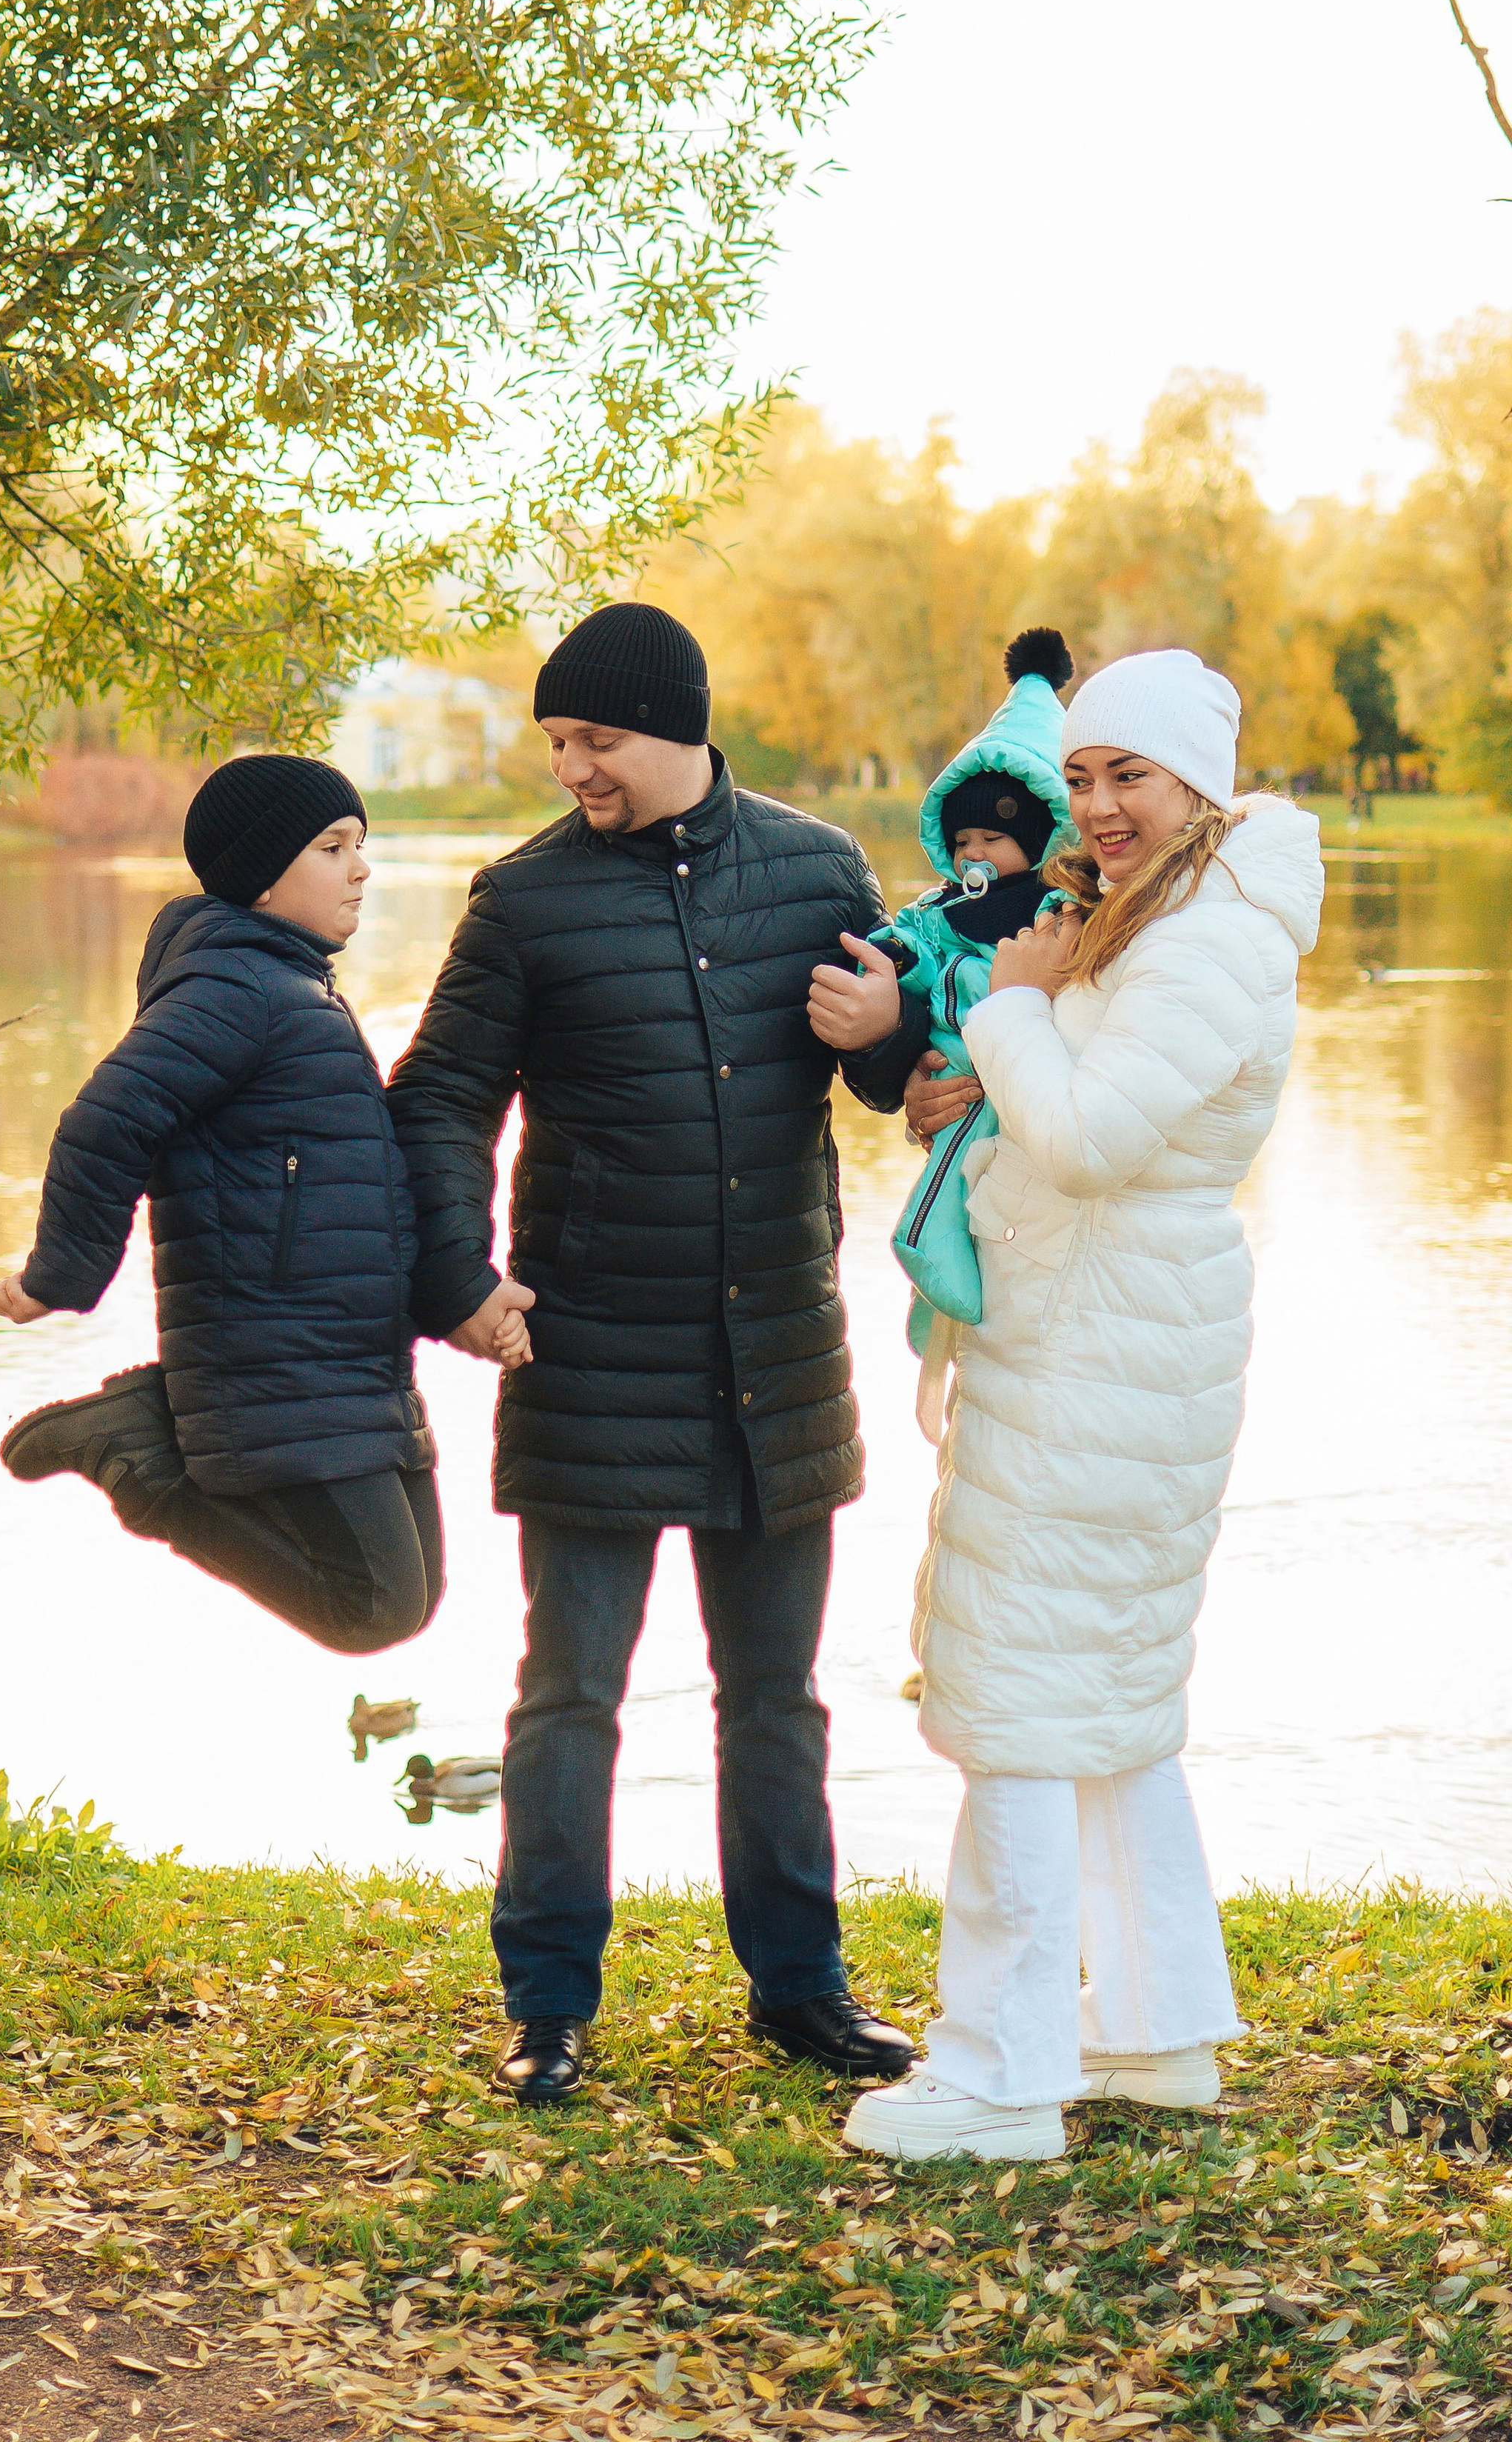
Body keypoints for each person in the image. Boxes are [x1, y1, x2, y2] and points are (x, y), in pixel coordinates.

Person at [385, 601, 931, 2106]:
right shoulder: (521, 904)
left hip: (780, 1358)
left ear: (680, 725)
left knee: (777, 1695)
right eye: (557, 740)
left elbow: (890, 1078)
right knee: (568, 1694)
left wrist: (888, 1026)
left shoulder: (819, 869)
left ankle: (801, 1992)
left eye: (597, 738)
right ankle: (548, 2004)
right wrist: (457, 1279)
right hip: (587, 1360)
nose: (572, 765)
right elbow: (433, 1102)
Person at [840, 648, 1323, 2164]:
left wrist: (1014, 1013)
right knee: (1103, 1701)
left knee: (1019, 1702)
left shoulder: (1202, 944)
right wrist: (980, 1080)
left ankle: (996, 2077)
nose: (1098, 806)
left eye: (1132, 775)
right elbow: (1055, 1106)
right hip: (1108, 1335)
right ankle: (1153, 2030)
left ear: (1197, 784)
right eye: (1083, 777)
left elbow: (1099, 1138)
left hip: (1106, 1348)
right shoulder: (1165, 917)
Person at [0, 755, 442, 1656]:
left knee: (411, 1597)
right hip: (275, 1349)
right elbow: (107, 1119)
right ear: (262, 878)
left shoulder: (296, 988)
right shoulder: (236, 992)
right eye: (332, 847)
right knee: (374, 1607)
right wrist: (64, 1276)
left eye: (362, 846)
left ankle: (149, 1421)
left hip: (351, 1357)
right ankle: (136, 1457)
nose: (360, 869)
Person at [871, 627, 1075, 1433]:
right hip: (957, 1063)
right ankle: (941, 1295)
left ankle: (927, 1253)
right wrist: (886, 964)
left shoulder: (1060, 915)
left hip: (1013, 1077)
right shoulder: (940, 911)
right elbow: (911, 948)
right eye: (961, 841)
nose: (975, 854)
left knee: (966, 1164)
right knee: (958, 1152)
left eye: (992, 837)